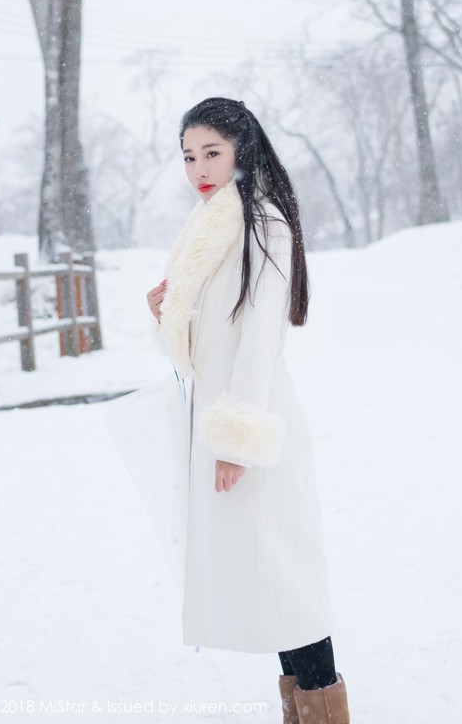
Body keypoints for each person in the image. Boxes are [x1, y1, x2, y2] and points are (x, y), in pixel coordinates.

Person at [146, 97, 351, 724]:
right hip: (221, 421)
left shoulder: (261, 222)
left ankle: (322, 712)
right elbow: (209, 338)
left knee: (286, 581)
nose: (200, 168)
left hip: (251, 424)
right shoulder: (210, 228)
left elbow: (259, 338)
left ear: (242, 150)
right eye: (188, 156)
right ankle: (302, 711)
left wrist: (237, 440)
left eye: (212, 152)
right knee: (268, 583)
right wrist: (168, 309)